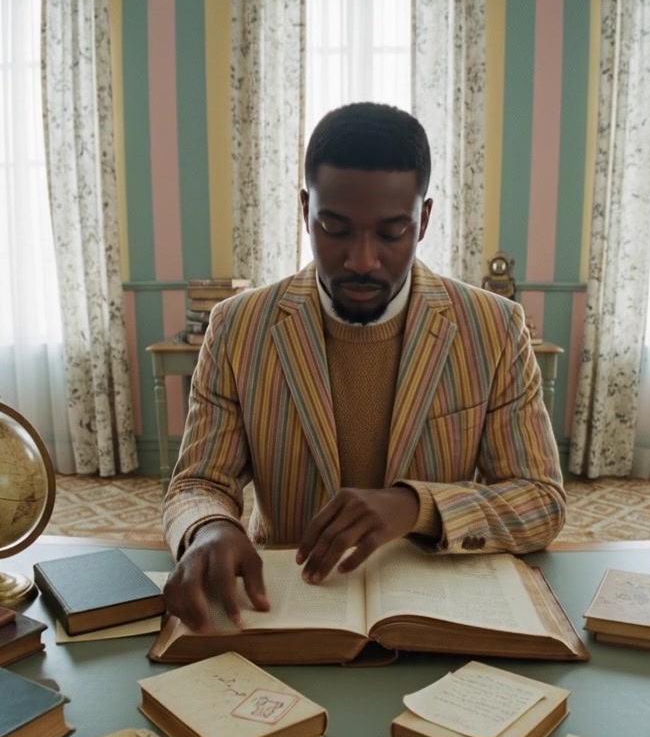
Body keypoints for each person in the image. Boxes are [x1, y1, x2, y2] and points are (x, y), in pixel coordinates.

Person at [163, 102, 565, 632]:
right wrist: (209, 526)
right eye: (335, 227)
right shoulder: (238, 327)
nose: (362, 260)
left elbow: (540, 499)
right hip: (283, 607)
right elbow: (197, 482)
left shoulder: (493, 328)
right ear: (305, 209)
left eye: (392, 233)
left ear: (423, 220)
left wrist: (415, 506)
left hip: (433, 609)